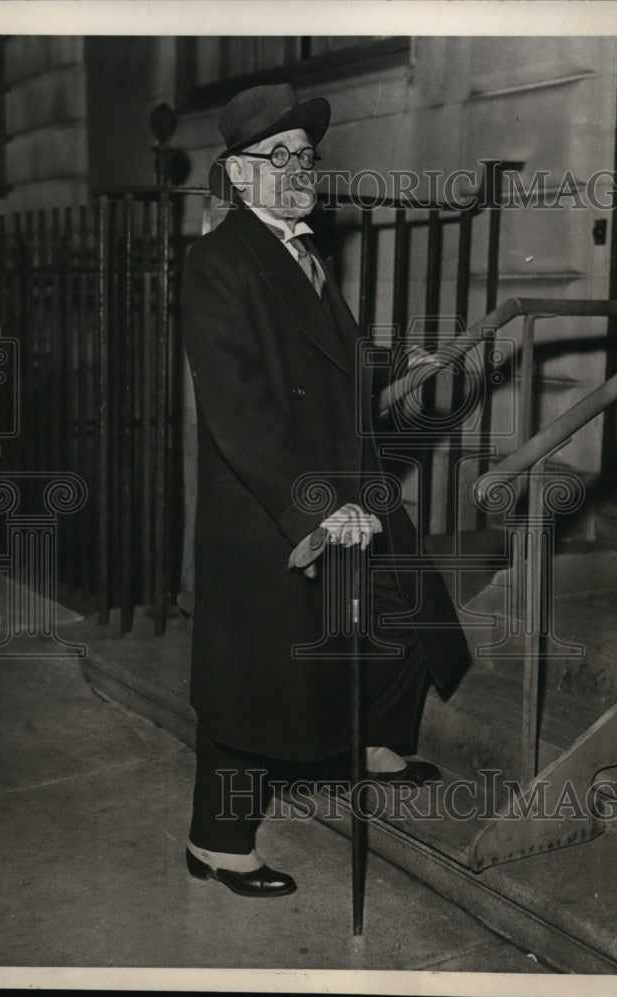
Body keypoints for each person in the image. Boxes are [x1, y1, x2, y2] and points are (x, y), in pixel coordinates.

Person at [180, 83, 469, 898]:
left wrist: (390, 369)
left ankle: (371, 743)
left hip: (347, 477)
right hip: (268, 500)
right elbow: (241, 405)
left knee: (409, 597)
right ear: (239, 176)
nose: (298, 169)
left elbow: (315, 367)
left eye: (305, 156)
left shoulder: (301, 250)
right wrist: (314, 505)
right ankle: (219, 843)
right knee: (250, 676)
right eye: (279, 157)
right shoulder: (218, 261)